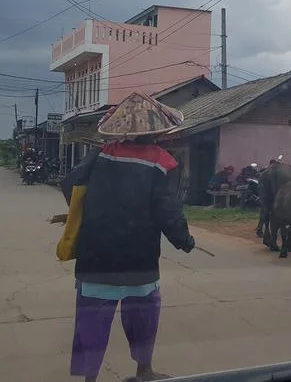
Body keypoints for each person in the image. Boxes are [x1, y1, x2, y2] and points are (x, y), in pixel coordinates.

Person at [61, 91, 196, 382]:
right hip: (140, 261)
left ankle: (90, 379)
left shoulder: (102, 153)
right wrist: (184, 240)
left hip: (95, 258)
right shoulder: (165, 162)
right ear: (160, 129)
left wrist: (87, 213)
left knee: (91, 322)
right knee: (144, 319)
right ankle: (144, 371)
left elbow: (71, 184)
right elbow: (168, 211)